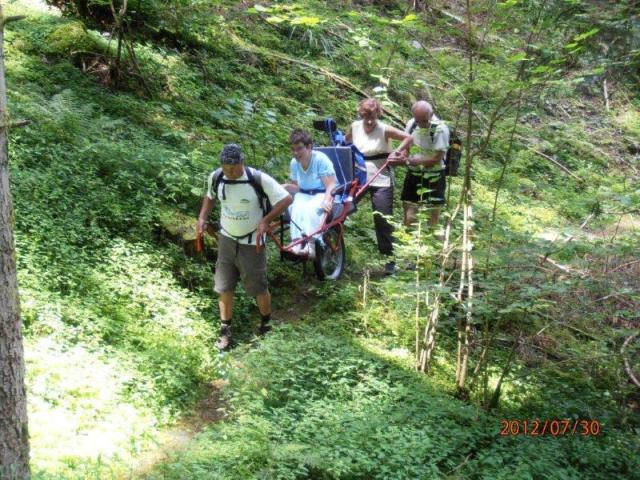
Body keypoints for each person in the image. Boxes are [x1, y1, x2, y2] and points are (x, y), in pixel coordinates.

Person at [197, 144, 292, 351]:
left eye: (233, 168)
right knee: (223, 286)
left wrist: (266, 220)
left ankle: (266, 323)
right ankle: (225, 331)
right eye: (225, 168)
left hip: (252, 241)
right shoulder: (216, 177)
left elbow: (286, 199)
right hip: (226, 238)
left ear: (242, 162)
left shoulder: (257, 179)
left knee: (257, 285)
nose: (229, 172)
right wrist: (203, 216)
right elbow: (210, 196)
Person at [345, 98, 412, 275]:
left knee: (382, 218)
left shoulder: (384, 128)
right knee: (342, 208)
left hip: (381, 175)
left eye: (372, 116)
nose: (369, 120)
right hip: (358, 175)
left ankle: (390, 260)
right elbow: (345, 143)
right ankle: (333, 250)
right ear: (361, 114)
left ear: (378, 114)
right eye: (365, 116)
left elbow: (408, 137)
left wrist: (397, 152)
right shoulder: (355, 126)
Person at [283, 129, 337, 259]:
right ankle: (296, 243)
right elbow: (297, 187)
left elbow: (331, 185)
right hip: (304, 194)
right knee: (295, 207)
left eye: (299, 148)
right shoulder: (294, 163)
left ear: (309, 147)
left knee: (311, 209)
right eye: (293, 149)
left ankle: (310, 245)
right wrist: (284, 187)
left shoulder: (320, 160)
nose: (296, 153)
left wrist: (327, 201)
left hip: (322, 193)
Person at [398, 101, 450, 229]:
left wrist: (419, 160)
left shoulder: (440, 129)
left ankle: (434, 244)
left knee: (433, 218)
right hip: (413, 173)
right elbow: (406, 144)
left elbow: (438, 157)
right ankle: (408, 242)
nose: (420, 124)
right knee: (409, 212)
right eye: (418, 120)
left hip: (435, 176)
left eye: (424, 121)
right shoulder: (411, 123)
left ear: (431, 114)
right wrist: (403, 155)